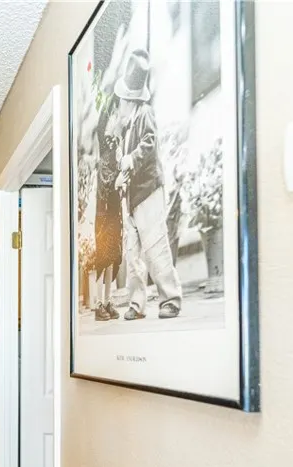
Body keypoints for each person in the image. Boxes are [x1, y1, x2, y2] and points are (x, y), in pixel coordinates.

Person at [114, 48, 182, 320]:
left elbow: (150, 144)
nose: (119, 104)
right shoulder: (128, 125)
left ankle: (171, 299)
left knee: (156, 248)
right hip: (132, 197)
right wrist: (123, 174)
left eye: (120, 100)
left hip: (148, 192)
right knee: (133, 257)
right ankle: (136, 304)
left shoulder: (145, 114)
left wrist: (129, 160)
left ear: (128, 100)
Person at [92, 95, 123, 321]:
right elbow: (102, 123)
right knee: (102, 259)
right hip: (103, 214)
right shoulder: (104, 152)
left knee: (113, 257)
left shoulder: (117, 148)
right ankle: (97, 304)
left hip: (115, 214)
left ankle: (108, 301)